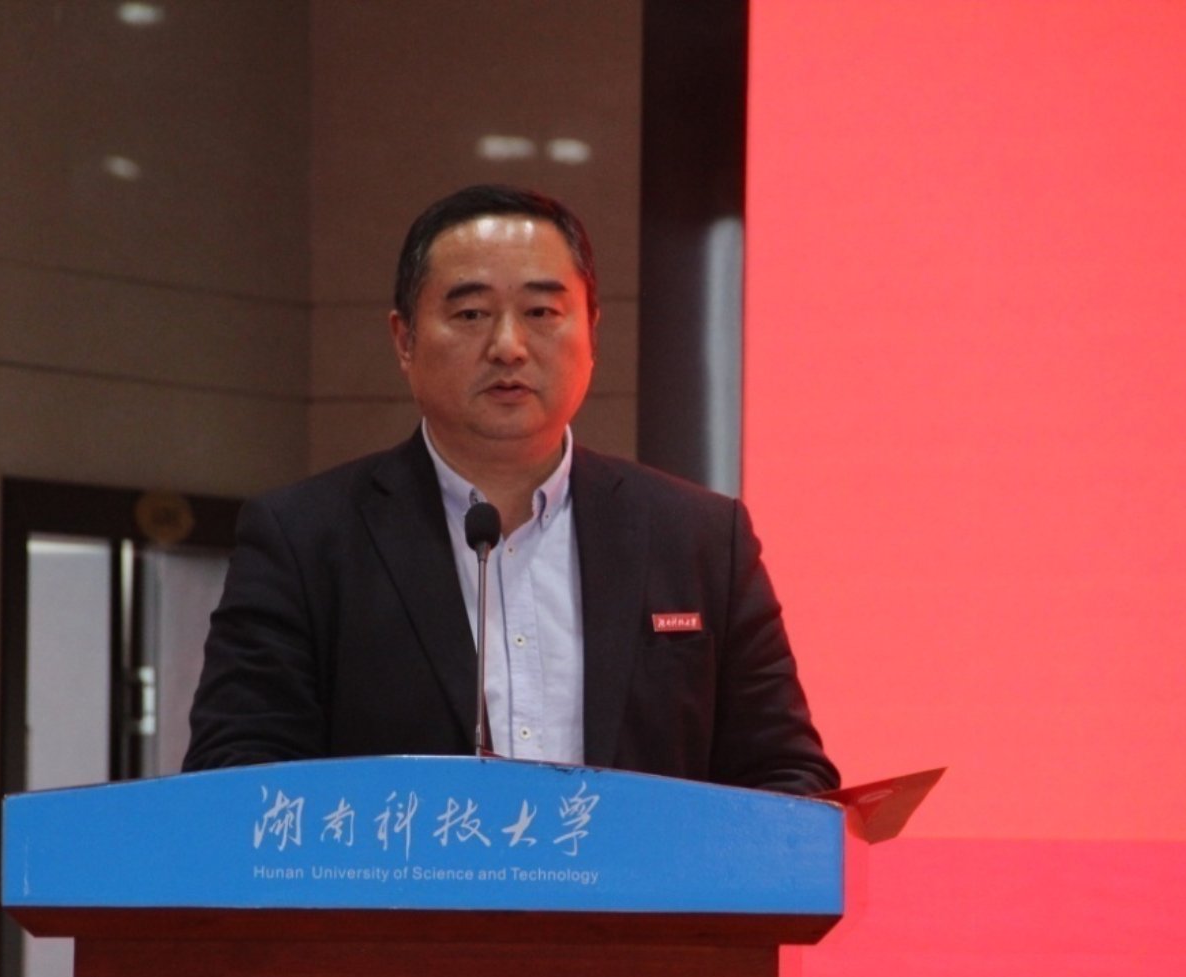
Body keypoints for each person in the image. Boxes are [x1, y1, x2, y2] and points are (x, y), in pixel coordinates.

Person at [183, 184, 837, 795]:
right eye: (471, 313)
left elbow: (787, 778)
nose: (508, 346)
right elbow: (236, 780)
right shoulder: (304, 539)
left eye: (542, 312)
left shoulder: (701, 538)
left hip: (636, 889)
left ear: (591, 333)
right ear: (405, 340)